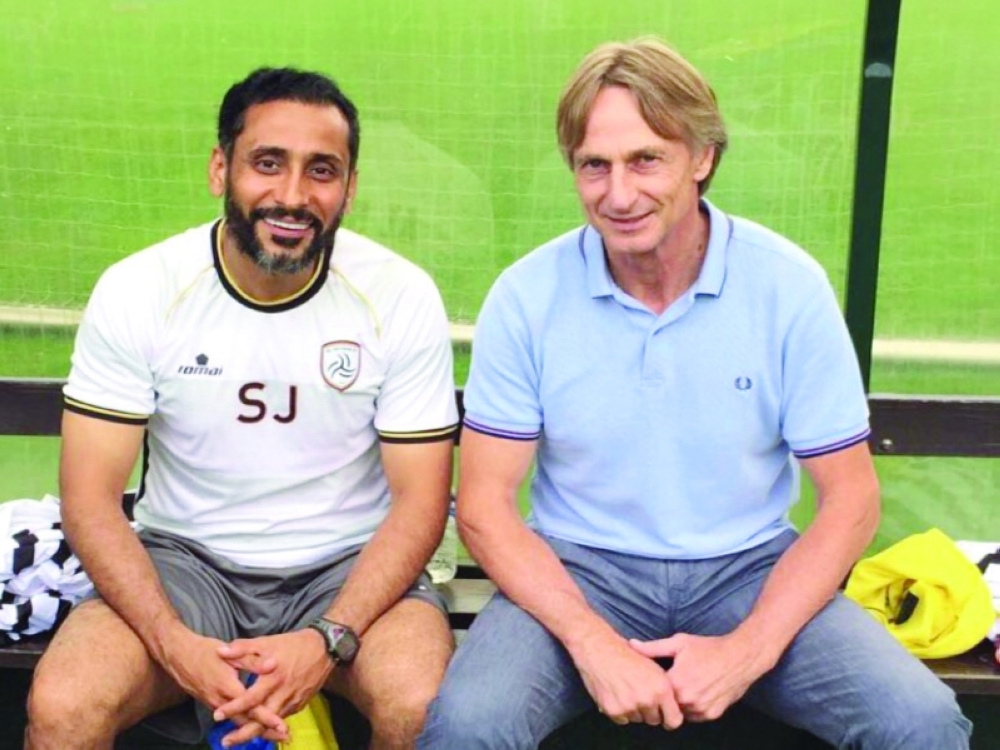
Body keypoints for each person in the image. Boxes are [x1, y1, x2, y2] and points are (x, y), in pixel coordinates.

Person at [417, 38, 972, 750]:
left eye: (646, 159)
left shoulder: (786, 286)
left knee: (922, 722)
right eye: (594, 165)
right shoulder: (527, 295)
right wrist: (591, 643)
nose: (619, 195)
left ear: (703, 156)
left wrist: (748, 650)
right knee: (468, 725)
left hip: (750, 568)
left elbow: (851, 498)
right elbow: (485, 505)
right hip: (577, 568)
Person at [26, 67, 458, 750]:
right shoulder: (140, 288)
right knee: (63, 707)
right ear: (220, 168)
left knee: (422, 706)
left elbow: (422, 504)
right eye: (267, 163)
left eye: (321, 170)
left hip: (348, 569)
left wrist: (328, 638)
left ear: (350, 187)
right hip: (183, 567)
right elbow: (89, 498)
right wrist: (174, 643)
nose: (292, 196)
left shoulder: (399, 294)